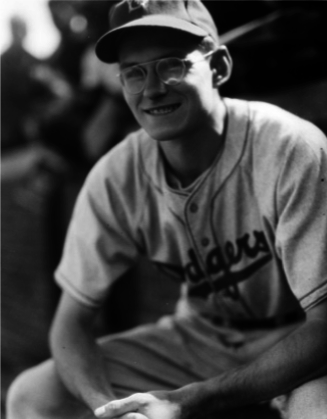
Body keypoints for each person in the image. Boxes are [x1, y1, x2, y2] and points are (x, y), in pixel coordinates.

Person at [7, 1, 327, 418]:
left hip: (298, 336)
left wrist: (191, 399)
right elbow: (70, 324)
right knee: (32, 396)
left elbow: (324, 326)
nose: (152, 89)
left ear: (219, 67)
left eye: (171, 65)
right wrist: (109, 409)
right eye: (134, 73)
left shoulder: (292, 149)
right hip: (200, 338)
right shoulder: (116, 174)